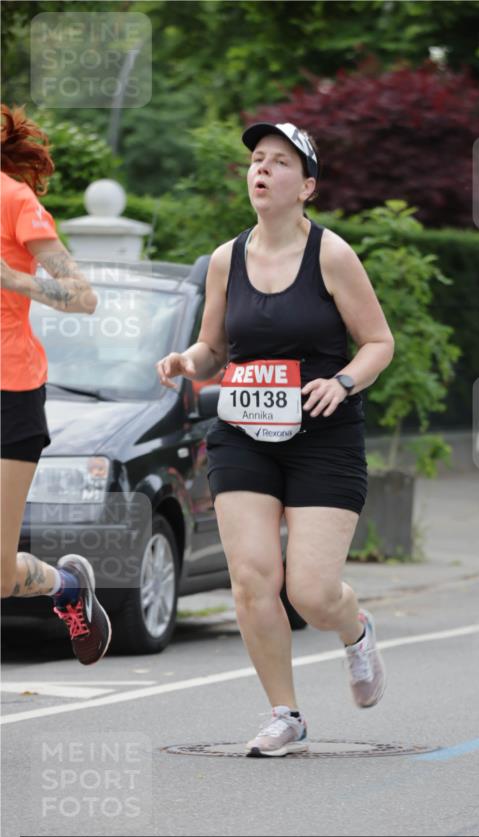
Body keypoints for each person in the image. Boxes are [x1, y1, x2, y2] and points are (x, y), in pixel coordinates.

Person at [156, 121, 394, 756]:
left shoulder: (333, 256)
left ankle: (356, 629)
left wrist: (342, 383)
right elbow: (215, 349)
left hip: (323, 436)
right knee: (252, 579)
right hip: (243, 434)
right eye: (256, 160)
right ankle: (284, 713)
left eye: (279, 162)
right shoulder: (225, 259)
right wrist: (188, 361)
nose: (262, 169)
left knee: (311, 594)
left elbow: (379, 343)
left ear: (307, 186)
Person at [0, 104, 111, 665]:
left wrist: (9, 276)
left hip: (9, 393)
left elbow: (84, 296)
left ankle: (66, 587)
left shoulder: (14, 200)